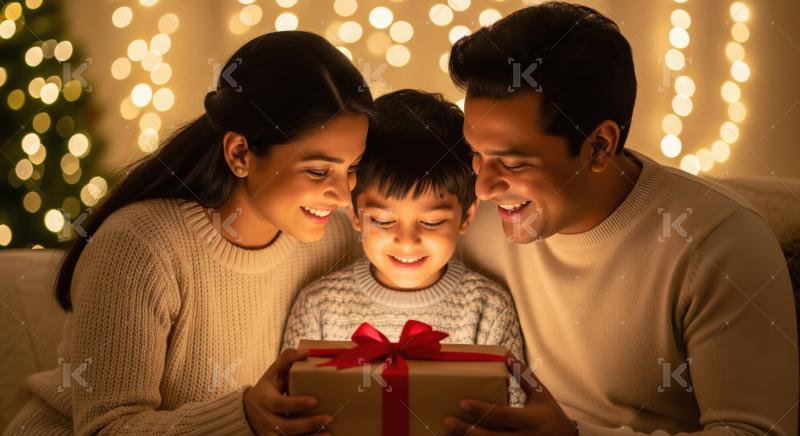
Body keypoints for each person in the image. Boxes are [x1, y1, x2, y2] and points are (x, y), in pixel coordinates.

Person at [443, 2, 798, 435]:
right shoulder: (466, 218)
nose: (482, 187)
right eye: (476, 155)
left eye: (514, 163)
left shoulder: (721, 240)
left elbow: (754, 432)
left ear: (599, 146)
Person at [5, 31, 372, 436]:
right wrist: (243, 418)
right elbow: (104, 429)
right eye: (319, 172)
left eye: (352, 168)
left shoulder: (335, 239)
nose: (343, 195)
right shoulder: (139, 245)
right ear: (239, 154)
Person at [281, 89, 526, 407]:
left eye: (432, 223)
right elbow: (289, 407)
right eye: (383, 221)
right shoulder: (319, 306)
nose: (407, 241)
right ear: (355, 214)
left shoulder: (487, 308)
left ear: (466, 216)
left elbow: (515, 409)